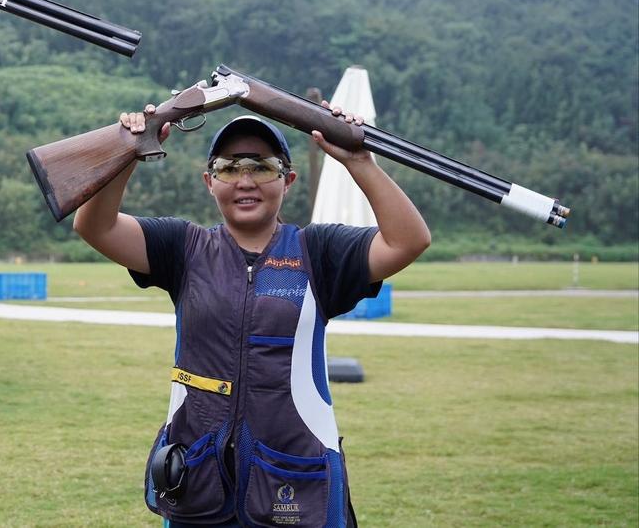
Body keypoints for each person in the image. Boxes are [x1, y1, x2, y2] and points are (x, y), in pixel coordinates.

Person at [72, 105, 430, 527]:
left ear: (287, 180)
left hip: (297, 481)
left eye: (261, 167)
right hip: (198, 480)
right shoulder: (183, 248)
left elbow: (409, 240)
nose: (245, 181)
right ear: (209, 182)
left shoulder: (319, 252)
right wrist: (127, 152)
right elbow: (94, 226)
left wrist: (357, 160)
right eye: (228, 168)